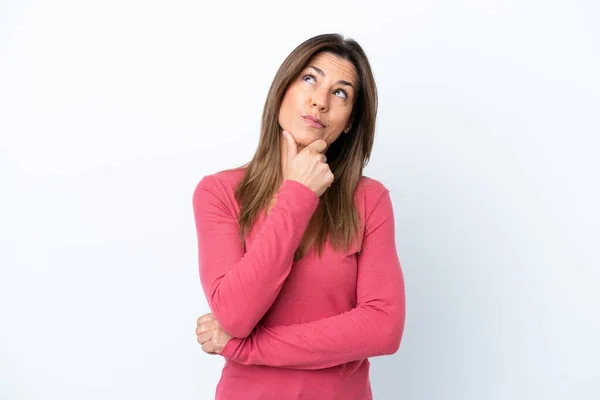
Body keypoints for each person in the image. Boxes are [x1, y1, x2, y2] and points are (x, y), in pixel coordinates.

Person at [192, 33, 405, 400]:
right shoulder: (219, 193)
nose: (319, 101)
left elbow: (383, 328)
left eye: (340, 93)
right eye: (310, 78)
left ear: (350, 121)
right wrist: (298, 195)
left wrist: (247, 348)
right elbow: (235, 315)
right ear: (282, 90)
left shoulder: (369, 199)